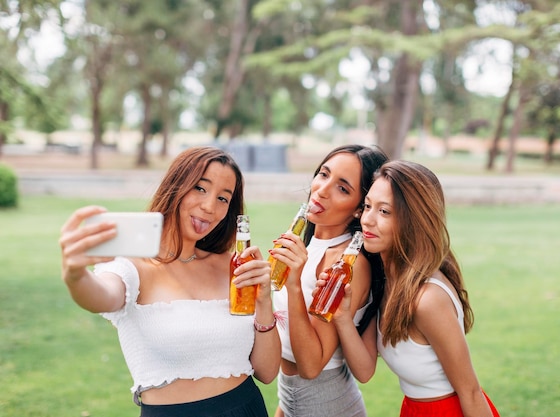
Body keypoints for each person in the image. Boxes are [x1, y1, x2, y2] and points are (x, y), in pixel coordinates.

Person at [58, 146, 281, 417]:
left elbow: (267, 373)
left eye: (223, 198)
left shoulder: (232, 267)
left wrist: (263, 299)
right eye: (200, 188)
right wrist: (76, 275)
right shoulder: (133, 265)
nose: (210, 207)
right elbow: (101, 295)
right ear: (177, 186)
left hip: (246, 408)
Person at [327, 160, 500, 417]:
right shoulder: (387, 281)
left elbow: (471, 392)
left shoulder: (427, 299)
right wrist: (342, 316)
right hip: (413, 409)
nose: (368, 220)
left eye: (384, 212)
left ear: (412, 221)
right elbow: (363, 371)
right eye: (367, 206)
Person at [269, 144, 388, 417]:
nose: (322, 189)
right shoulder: (307, 244)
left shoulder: (348, 265)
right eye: (324, 174)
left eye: (343, 188)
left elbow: (311, 366)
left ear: (360, 208)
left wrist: (294, 283)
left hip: (329, 405)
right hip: (291, 399)